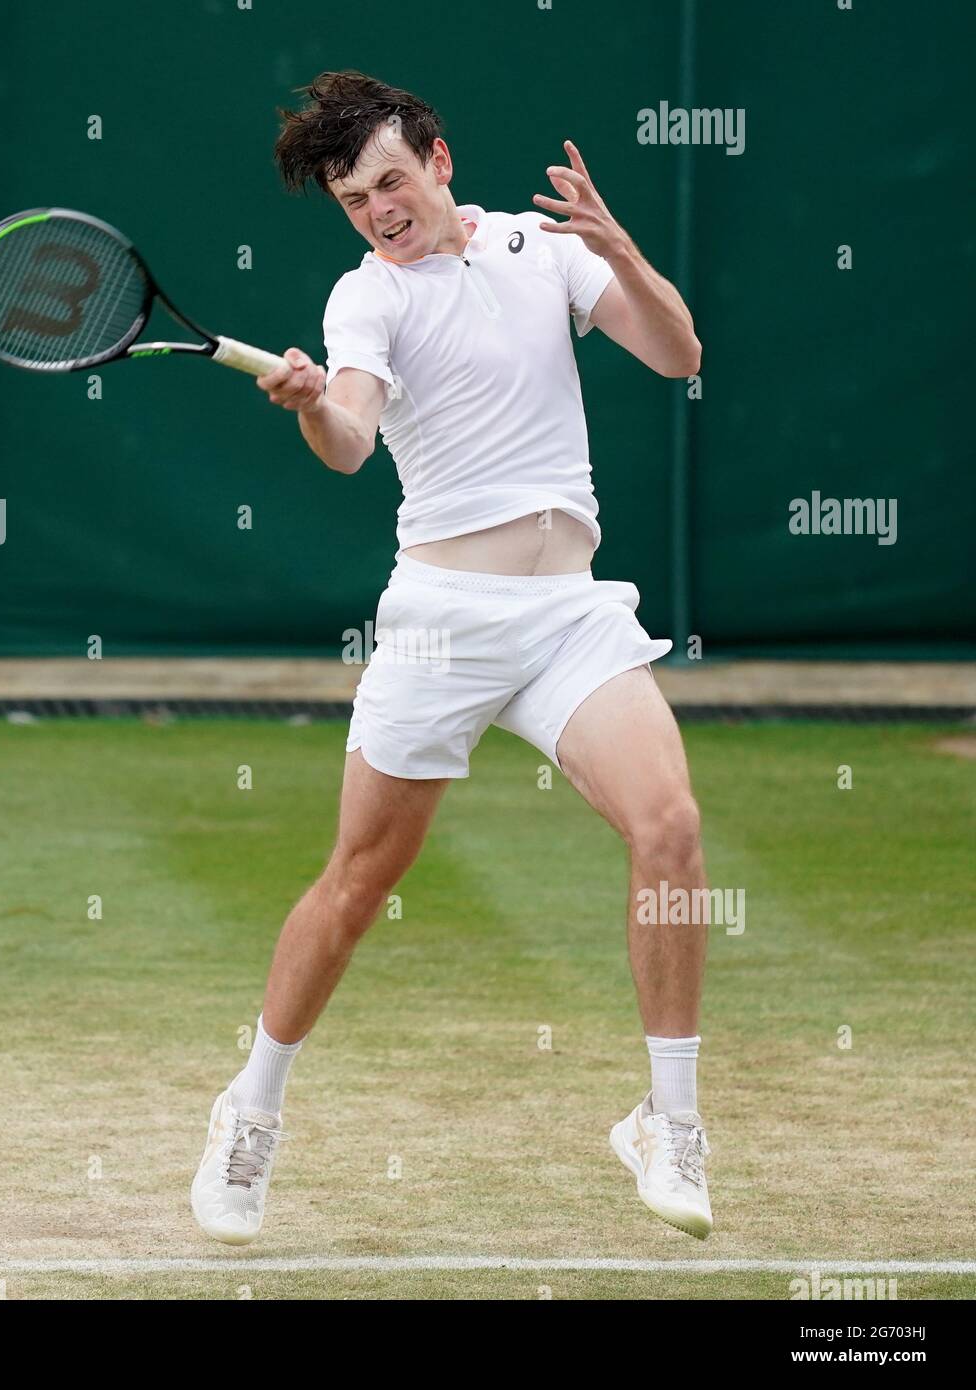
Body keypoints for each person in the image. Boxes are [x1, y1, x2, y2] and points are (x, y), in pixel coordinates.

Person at [191, 70, 712, 1246]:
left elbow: (678, 354)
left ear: (437, 159)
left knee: (669, 826)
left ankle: (665, 1120)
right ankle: (251, 1107)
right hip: (440, 618)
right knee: (359, 881)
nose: (376, 208)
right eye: (350, 197)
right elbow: (352, 440)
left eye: (387, 180)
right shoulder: (363, 300)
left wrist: (620, 249)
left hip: (568, 613)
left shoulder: (545, 249)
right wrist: (312, 403)